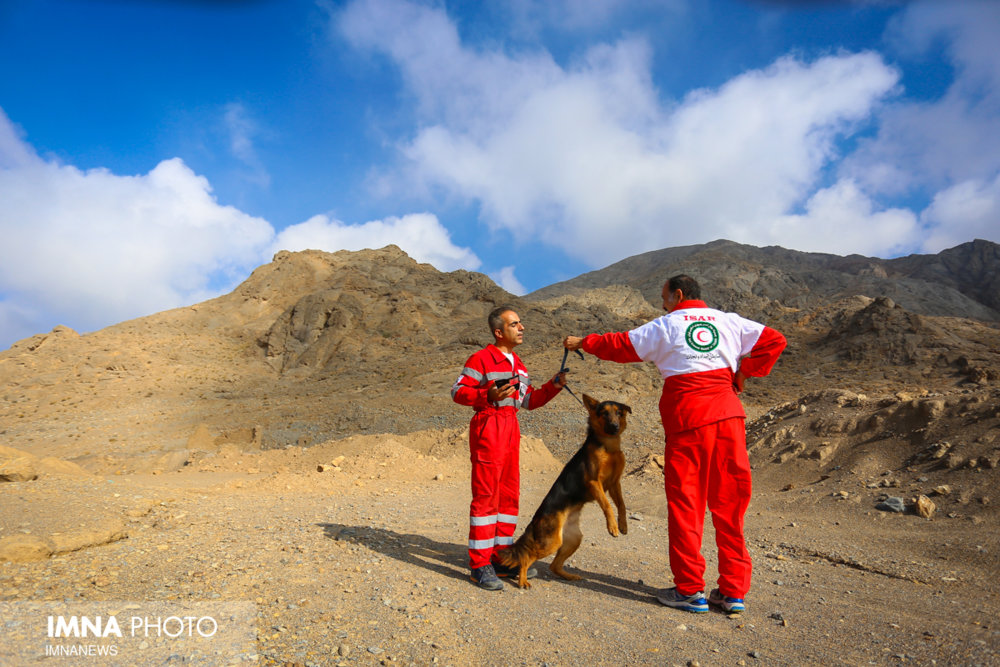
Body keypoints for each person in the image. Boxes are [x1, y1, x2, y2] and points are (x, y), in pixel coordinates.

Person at [563, 274, 786, 613]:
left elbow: (620, 345)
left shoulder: (666, 325)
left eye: (664, 297)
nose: (662, 303)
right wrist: (743, 373)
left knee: (687, 504)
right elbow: (775, 340)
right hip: (729, 418)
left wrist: (584, 342)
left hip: (689, 421)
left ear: (679, 295)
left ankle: (690, 590)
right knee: (730, 504)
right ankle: (733, 591)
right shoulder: (729, 321)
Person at [452, 305, 568, 590]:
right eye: (515, 324)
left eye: (521, 323)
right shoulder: (481, 359)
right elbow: (457, 392)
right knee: (487, 496)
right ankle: (480, 565)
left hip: (510, 428)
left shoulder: (519, 364)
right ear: (499, 331)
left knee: (508, 497)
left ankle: (501, 558)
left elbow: (529, 401)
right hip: (489, 426)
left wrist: (553, 386)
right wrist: (484, 395)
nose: (522, 328)